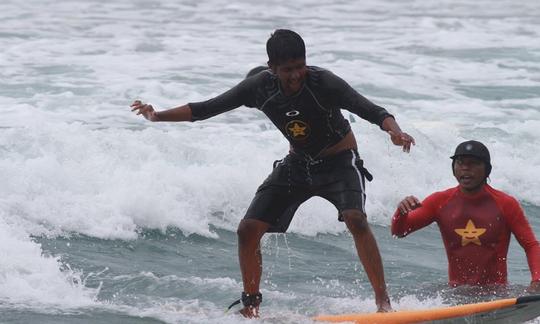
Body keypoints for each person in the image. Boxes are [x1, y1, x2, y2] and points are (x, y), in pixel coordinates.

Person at [131, 29, 416, 317]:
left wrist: (395, 132)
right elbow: (204, 110)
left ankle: (383, 304)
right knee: (247, 230)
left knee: (356, 219)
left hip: (340, 162)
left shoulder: (324, 82)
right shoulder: (258, 88)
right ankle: (251, 307)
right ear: (272, 68)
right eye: (287, 70)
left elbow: (373, 110)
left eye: (300, 67)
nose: (295, 75)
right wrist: (156, 116)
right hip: (297, 164)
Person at [392, 140, 540, 291]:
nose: (465, 168)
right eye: (460, 163)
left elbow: (531, 245)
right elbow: (399, 232)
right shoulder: (440, 201)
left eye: (473, 163)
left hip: (496, 294)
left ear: (486, 169)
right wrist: (401, 212)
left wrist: (537, 280)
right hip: (456, 293)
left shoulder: (506, 204)